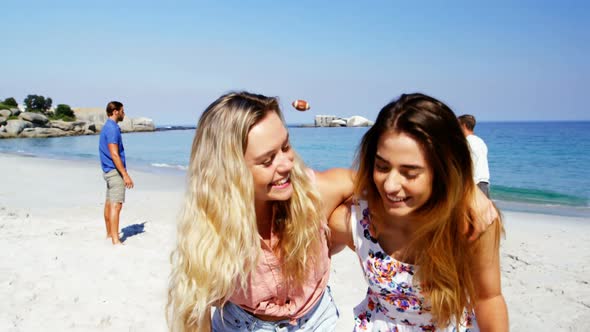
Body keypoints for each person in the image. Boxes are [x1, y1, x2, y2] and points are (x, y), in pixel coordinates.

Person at [166, 91, 497, 332]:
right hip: (239, 325)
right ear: (228, 169)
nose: (287, 163)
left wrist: (468, 192)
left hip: (316, 323)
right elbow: (192, 313)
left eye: (286, 146)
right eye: (268, 160)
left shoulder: (315, 193)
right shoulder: (209, 229)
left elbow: (397, 181)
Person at [329, 93, 507, 331]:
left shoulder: (471, 225)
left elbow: (488, 298)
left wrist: (466, 191)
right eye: (382, 166)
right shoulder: (357, 221)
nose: (390, 185)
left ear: (443, 171)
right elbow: (313, 187)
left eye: (410, 172)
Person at [99, 101, 134, 245]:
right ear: (115, 112)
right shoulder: (112, 128)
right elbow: (114, 154)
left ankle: (109, 234)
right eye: (122, 111)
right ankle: (115, 239)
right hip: (114, 172)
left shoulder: (108, 127)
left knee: (109, 203)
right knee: (116, 205)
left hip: (108, 170)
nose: (124, 113)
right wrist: (125, 174)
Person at [458, 114, 490, 198]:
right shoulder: (481, 142)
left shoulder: (466, 143)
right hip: (484, 183)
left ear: (463, 125)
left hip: (474, 184)